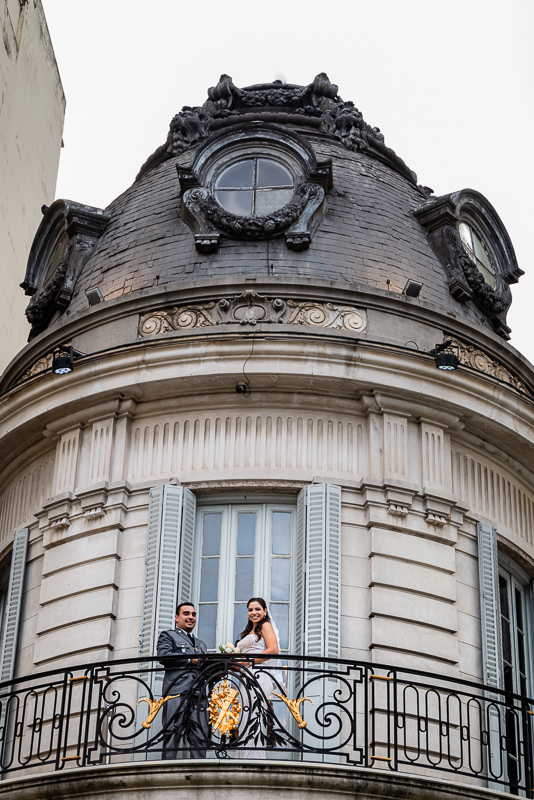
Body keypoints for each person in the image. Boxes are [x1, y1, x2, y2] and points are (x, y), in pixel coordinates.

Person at [157, 602, 208, 758]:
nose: (190, 617)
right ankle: (166, 772)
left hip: (199, 694)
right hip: (177, 691)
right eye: (186, 614)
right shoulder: (168, 635)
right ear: (176, 617)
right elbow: (163, 656)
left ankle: (198, 775)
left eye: (193, 614)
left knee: (201, 735)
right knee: (172, 733)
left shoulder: (201, 644)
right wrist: (189, 660)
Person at [234, 597, 281, 758]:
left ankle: (253, 758)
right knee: (245, 715)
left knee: (251, 715)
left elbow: (273, 649)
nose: (254, 613)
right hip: (246, 676)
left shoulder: (265, 626)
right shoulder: (249, 632)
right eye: (250, 610)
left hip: (258, 675)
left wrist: (246, 662)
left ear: (265, 611)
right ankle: (244, 755)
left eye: (257, 609)